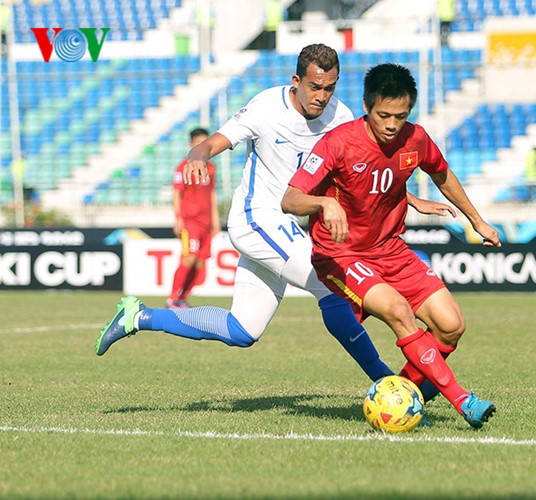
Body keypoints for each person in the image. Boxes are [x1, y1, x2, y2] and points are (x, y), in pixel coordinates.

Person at [96, 45, 450, 388]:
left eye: (329, 88)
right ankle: (388, 381)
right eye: (314, 87)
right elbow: (212, 143)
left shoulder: (340, 116)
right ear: (297, 81)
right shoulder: (266, 107)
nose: (322, 96)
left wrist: (411, 197)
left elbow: (359, 170)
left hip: (287, 226)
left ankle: (139, 316)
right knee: (333, 288)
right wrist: (197, 156)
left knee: (242, 330)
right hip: (257, 219)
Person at [281, 63, 502, 429]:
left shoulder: (415, 139)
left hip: (391, 249)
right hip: (340, 254)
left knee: (451, 325)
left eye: (400, 116)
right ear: (367, 106)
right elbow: (290, 199)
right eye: (383, 115)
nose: (391, 124)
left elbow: (441, 173)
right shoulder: (338, 143)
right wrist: (324, 203)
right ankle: (463, 400)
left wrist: (475, 220)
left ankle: (405, 398)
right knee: (399, 311)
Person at [167, 127, 219, 309]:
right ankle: (172, 298)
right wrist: (178, 218)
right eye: (197, 143)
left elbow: (211, 195)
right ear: (191, 145)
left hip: (206, 224)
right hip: (191, 222)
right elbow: (177, 194)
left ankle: (182, 298)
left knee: (199, 263)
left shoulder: (211, 169)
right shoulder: (183, 168)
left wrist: (215, 221)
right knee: (189, 257)